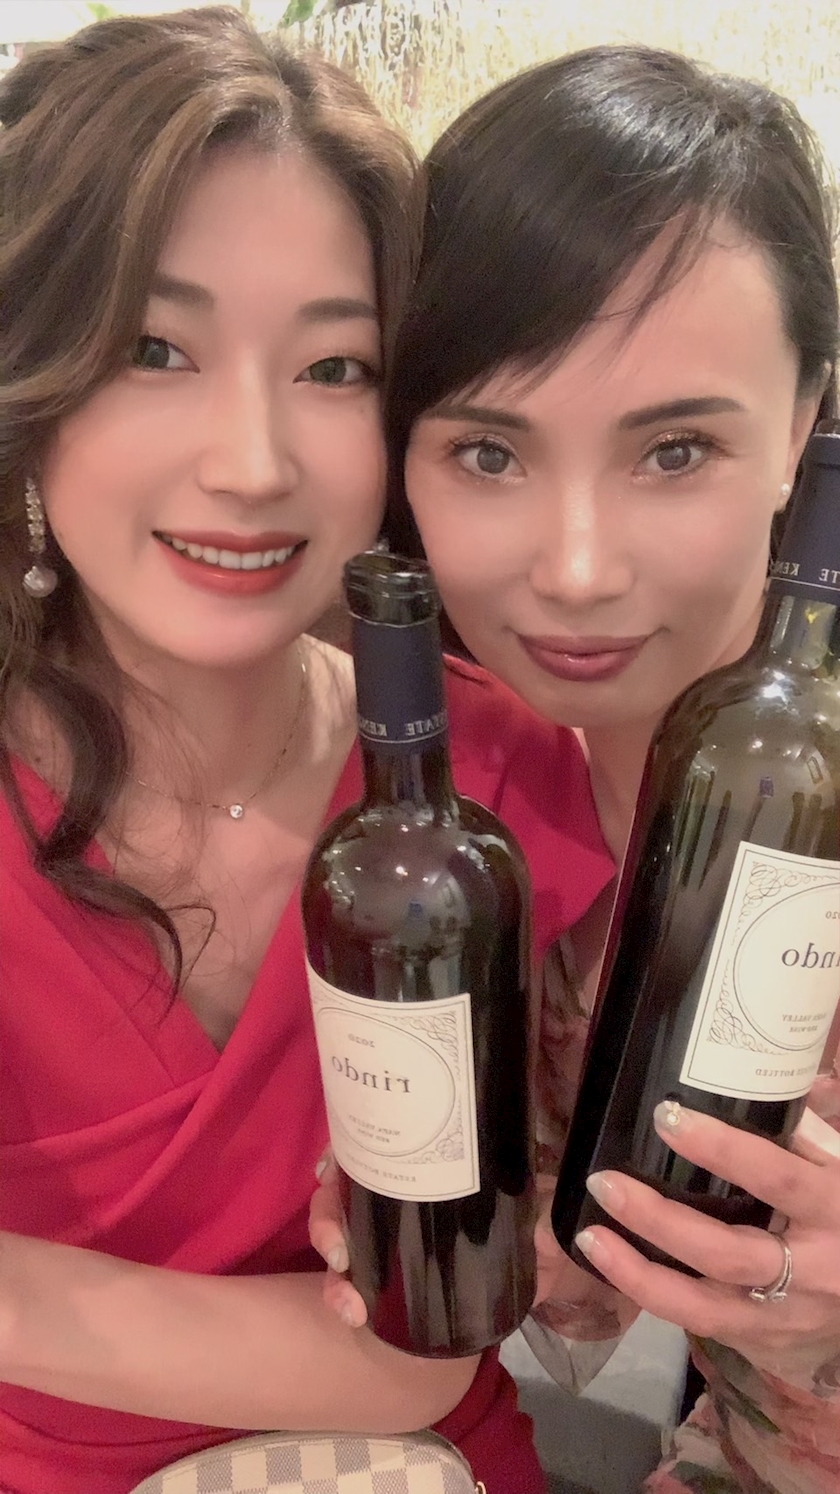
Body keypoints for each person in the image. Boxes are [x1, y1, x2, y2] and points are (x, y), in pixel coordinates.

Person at [0, 9, 619, 1493]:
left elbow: (527, 1298)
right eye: (152, 347)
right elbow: (404, 1345)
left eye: (336, 367)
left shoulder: (506, 779)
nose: (253, 463)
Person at [313, 45, 840, 1494]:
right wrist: (510, 1248)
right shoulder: (485, 808)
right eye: (490, 453)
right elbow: (603, 1288)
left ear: (804, 425)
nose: (578, 570)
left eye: (676, 449)